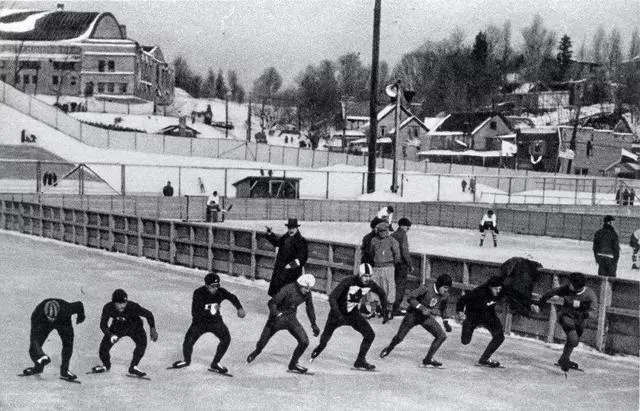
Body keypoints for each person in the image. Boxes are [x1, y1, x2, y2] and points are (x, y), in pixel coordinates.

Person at [310, 263, 389, 370]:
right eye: (365, 276)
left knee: (370, 335)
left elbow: (382, 293)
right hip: (337, 314)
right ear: (360, 275)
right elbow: (332, 297)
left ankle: (360, 360)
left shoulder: (370, 284)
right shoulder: (348, 281)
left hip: (353, 314)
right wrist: (337, 314)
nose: (368, 279)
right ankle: (320, 347)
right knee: (325, 338)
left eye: (370, 276)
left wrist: (384, 310)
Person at [171, 273, 246, 374]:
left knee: (226, 338)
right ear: (206, 286)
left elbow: (232, 297)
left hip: (215, 322)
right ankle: (186, 361)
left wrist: (239, 307)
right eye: (212, 286)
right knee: (188, 340)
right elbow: (195, 313)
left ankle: (216, 363)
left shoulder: (220, 292)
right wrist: (211, 312)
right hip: (200, 322)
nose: (215, 289)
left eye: (217, 286)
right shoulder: (198, 293)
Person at [246, 274, 320, 374]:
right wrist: (276, 314)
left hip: (291, 319)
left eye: (309, 288)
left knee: (304, 341)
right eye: (306, 288)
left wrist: (313, 324)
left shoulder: (307, 293)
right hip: (277, 320)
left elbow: (309, 308)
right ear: (299, 285)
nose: (307, 291)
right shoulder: (288, 289)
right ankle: (256, 352)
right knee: (262, 343)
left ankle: (293, 364)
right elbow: (272, 302)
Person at [456, 276, 533, 368]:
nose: (498, 291)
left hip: (489, 315)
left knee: (499, 337)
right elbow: (462, 300)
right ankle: (466, 328)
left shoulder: (502, 290)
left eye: (500, 289)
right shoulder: (479, 292)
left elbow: (517, 295)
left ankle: (484, 359)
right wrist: (460, 312)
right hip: (473, 315)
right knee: (465, 341)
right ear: (490, 287)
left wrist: (530, 304)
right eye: (496, 289)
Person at [380, 274, 453, 367]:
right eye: (445, 287)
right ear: (439, 285)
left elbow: (443, 309)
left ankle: (428, 359)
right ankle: (389, 347)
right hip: (412, 315)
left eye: (448, 288)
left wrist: (446, 322)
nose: (446, 290)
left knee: (441, 336)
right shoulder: (426, 288)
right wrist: (421, 308)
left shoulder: (445, 295)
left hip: (425, 317)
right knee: (399, 338)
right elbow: (410, 297)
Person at [537, 273, 597, 372]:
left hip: (580, 320)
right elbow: (551, 292)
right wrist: (541, 303)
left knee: (574, 341)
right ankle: (564, 359)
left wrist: (584, 315)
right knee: (573, 340)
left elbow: (594, 312)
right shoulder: (566, 289)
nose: (569, 285)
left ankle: (564, 359)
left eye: (571, 284)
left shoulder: (589, 294)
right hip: (566, 316)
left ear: (578, 286)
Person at [91, 289, 158, 377]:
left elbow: (148, 314)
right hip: (118, 327)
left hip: (134, 327)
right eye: (119, 303)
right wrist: (110, 335)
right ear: (114, 303)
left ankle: (133, 366)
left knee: (142, 344)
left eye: (124, 303)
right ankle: (106, 366)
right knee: (103, 350)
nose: (122, 305)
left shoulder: (133, 306)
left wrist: (152, 328)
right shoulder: (108, 308)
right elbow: (103, 325)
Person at [21, 298, 85, 381]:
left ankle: (64, 371)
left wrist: (81, 315)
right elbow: (34, 339)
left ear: (58, 311)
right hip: (44, 323)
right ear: (44, 312)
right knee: (34, 347)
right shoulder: (37, 314)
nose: (52, 320)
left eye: (54, 317)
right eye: (50, 317)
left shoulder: (67, 308)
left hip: (63, 321)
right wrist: (41, 355)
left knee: (68, 343)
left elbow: (79, 305)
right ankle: (38, 367)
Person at [265, 218, 308, 297]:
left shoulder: (302, 241)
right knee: (277, 296)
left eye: (293, 228)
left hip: (292, 273)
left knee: (288, 297)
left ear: (296, 228)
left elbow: (303, 257)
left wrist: (291, 265)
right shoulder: (286, 237)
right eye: (289, 228)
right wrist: (270, 234)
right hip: (281, 272)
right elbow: (277, 242)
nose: (291, 230)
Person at [368, 221, 400, 318]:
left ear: (387, 231)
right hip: (377, 267)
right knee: (374, 288)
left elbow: (397, 254)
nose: (382, 233)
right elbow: (371, 253)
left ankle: (388, 311)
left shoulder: (392, 241)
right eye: (380, 231)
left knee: (389, 288)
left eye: (384, 231)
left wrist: (393, 264)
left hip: (388, 267)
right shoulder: (373, 240)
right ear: (377, 231)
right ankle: (373, 310)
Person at [391, 217, 413, 316]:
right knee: (400, 288)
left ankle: (390, 307)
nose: (408, 229)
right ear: (403, 226)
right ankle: (395, 309)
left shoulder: (393, 235)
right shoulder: (403, 235)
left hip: (392, 264)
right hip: (401, 266)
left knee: (393, 286)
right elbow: (405, 252)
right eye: (408, 227)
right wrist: (410, 264)